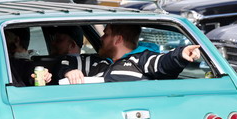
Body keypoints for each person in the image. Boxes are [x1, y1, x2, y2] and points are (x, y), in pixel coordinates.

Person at [58, 23, 200, 84]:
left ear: (118, 39)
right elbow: (63, 62)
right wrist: (68, 71)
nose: (101, 38)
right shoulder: (95, 61)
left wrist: (181, 54)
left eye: (106, 34)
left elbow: (162, 63)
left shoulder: (143, 59)